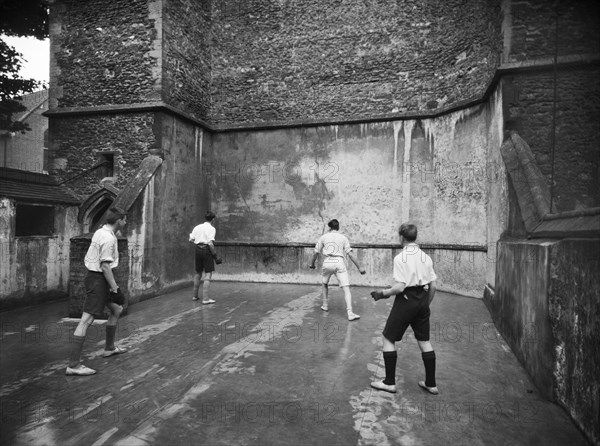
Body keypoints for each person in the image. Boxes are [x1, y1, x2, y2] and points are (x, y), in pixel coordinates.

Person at [369, 223, 438, 394]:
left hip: (406, 300)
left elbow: (400, 287)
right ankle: (431, 384)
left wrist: (382, 293)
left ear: (401, 237)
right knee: (424, 341)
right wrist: (424, 305)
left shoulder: (400, 258)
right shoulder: (426, 257)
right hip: (422, 300)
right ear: (416, 237)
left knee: (388, 338)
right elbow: (433, 286)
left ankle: (389, 382)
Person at [66, 207, 128, 376]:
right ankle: (73, 365)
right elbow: (105, 266)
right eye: (124, 219)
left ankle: (109, 348)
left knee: (117, 309)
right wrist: (115, 289)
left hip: (99, 278)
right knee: (86, 320)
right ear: (118, 221)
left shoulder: (101, 232)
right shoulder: (107, 238)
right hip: (98, 279)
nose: (125, 222)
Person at [309, 219, 366, 321]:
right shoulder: (343, 238)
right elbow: (350, 254)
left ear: (329, 227)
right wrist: (360, 268)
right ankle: (350, 312)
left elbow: (316, 252)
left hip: (327, 262)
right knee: (346, 288)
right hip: (339, 262)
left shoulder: (323, 237)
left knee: (324, 283)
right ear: (338, 227)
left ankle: (325, 305)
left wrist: (312, 264)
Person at [189, 211, 222, 304]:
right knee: (208, 274)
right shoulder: (212, 229)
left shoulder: (197, 227)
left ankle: (195, 296)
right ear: (213, 220)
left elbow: (191, 239)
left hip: (197, 250)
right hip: (206, 250)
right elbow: (210, 244)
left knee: (198, 272)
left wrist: (199, 240)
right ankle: (206, 299)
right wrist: (215, 256)